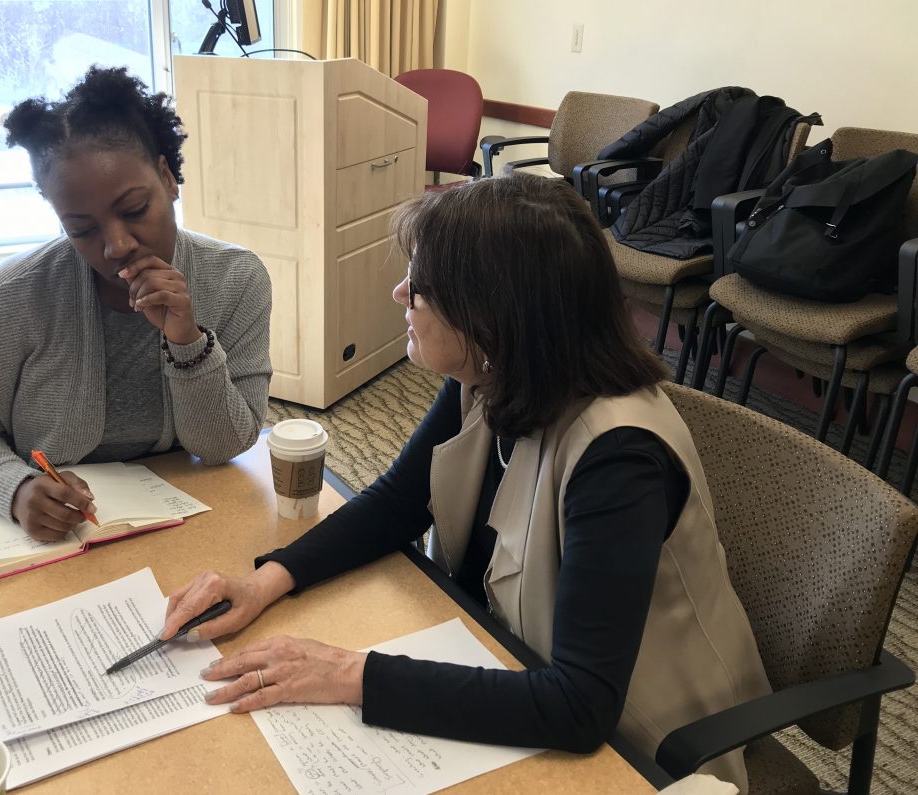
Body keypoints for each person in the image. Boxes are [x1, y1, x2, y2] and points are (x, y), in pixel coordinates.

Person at [161, 174, 770, 792]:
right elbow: (402, 500)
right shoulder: (493, 374)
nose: (401, 292)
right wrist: (266, 581)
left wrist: (351, 672)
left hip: (642, 747)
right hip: (509, 658)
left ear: (491, 319)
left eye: (422, 286)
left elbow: (581, 707)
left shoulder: (619, 458)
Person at [0, 66, 272, 541]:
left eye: (133, 210)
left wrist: (188, 342)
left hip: (167, 516)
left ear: (167, 178)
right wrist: (17, 488)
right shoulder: (9, 299)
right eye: (82, 230)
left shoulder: (235, 279)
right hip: (36, 534)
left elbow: (223, 446)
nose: (117, 245)